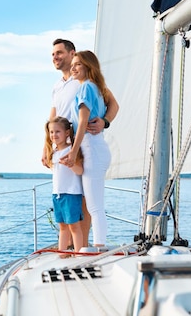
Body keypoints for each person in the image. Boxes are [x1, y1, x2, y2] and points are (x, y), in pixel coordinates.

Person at [42, 39, 119, 247]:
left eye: (59, 53)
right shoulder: (57, 86)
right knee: (68, 195)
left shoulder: (85, 81)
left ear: (72, 53)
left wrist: (105, 122)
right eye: (52, 55)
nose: (55, 57)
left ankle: (83, 247)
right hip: (62, 147)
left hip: (81, 145)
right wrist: (46, 147)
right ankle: (72, 247)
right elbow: (52, 117)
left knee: (85, 201)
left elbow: (113, 104)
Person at [62, 50, 112, 247]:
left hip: (92, 149)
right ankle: (97, 245)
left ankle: (99, 247)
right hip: (95, 148)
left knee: (94, 206)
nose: (73, 68)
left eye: (78, 64)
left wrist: (73, 152)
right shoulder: (95, 88)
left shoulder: (86, 88)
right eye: (72, 64)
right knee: (94, 204)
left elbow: (82, 122)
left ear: (88, 67)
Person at [44, 116, 84, 253]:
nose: (54, 135)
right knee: (62, 226)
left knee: (74, 226)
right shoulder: (54, 153)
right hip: (57, 194)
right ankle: (62, 253)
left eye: (57, 131)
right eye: (51, 132)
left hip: (71, 193)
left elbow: (80, 170)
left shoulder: (72, 150)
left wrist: (70, 164)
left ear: (67, 133)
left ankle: (79, 254)